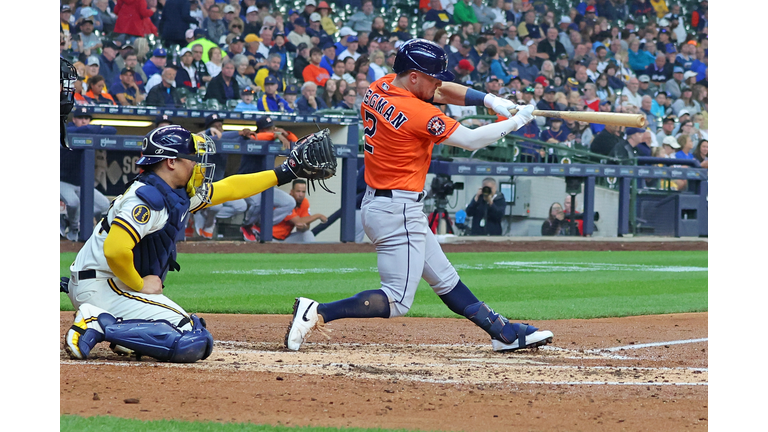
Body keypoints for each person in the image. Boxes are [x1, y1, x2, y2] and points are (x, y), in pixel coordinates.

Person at [285, 38, 552, 354]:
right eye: (432, 77)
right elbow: (469, 140)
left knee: (445, 279)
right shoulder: (416, 111)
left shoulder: (380, 85)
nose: (438, 83)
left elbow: (440, 90)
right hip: (398, 209)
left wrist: (491, 101)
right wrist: (515, 122)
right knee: (397, 299)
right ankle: (317, 312)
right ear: (413, 76)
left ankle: (502, 332)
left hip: (383, 203)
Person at [63, 124, 336, 362]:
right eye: (190, 158)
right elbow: (114, 249)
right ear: (171, 161)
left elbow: (230, 188)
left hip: (104, 283)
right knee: (193, 338)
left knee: (181, 335)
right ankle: (97, 323)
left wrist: (285, 172)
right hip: (103, 286)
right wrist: (139, 285)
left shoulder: (171, 191)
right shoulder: (147, 198)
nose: (196, 164)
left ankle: (124, 330)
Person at [60, 106, 116, 241]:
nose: (84, 121)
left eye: (86, 118)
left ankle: (98, 233)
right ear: (74, 119)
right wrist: (97, 129)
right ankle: (74, 229)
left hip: (81, 184)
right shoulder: (67, 130)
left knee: (104, 205)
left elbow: (112, 130)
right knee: (73, 203)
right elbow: (81, 130)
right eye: (80, 118)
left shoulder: (88, 131)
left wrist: (92, 130)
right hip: (62, 181)